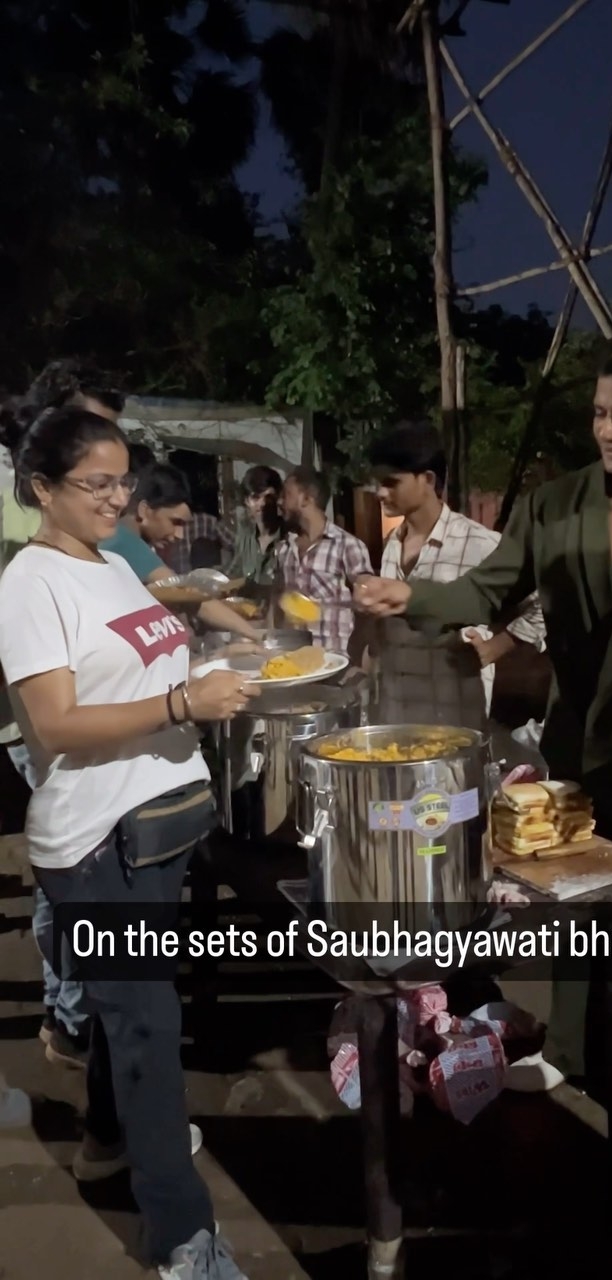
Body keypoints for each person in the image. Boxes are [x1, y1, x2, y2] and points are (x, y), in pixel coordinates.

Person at [355, 317, 612, 1199]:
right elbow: (488, 587)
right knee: (578, 916)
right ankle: (566, 1053)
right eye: (599, 413)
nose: (607, 432)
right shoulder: (560, 503)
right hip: (580, 753)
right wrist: (412, 594)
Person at [0, 401, 257, 1279]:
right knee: (148, 1027)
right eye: (96, 484)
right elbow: (58, 724)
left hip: (158, 824)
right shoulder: (30, 584)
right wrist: (183, 704)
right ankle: (182, 1238)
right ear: (42, 487)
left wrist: (210, 671)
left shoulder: (113, 564)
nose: (117, 498)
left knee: (128, 1011)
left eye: (122, 480)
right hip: (98, 841)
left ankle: (106, 1138)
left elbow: (152, 656)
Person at [1, 359, 125, 1068]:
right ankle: (75, 1017)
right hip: (38, 714)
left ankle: (71, 1010)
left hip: (81, 706)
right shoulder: (15, 501)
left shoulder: (84, 503)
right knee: (70, 862)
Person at [366, 421, 545, 727]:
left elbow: (544, 604)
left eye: (391, 482)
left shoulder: (481, 544)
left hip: (455, 718)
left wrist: (496, 647)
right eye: (377, 482)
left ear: (427, 479)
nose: (380, 492)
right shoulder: (392, 545)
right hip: (397, 712)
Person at [105, 462, 262, 645]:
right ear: (144, 511)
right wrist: (255, 635)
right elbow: (190, 596)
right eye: (175, 522)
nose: (180, 535)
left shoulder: (119, 538)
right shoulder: (125, 542)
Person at [278, 467, 373, 654]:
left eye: (287, 494)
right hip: (294, 663)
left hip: (336, 663)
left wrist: (361, 660)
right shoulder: (284, 548)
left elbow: (367, 609)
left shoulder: (348, 546)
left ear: (306, 499)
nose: (280, 501)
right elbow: (278, 601)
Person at [226, 465, 285, 587]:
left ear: (278, 499)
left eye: (269, 497)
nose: (262, 504)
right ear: (246, 501)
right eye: (255, 497)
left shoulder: (288, 537)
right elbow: (233, 573)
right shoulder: (246, 535)